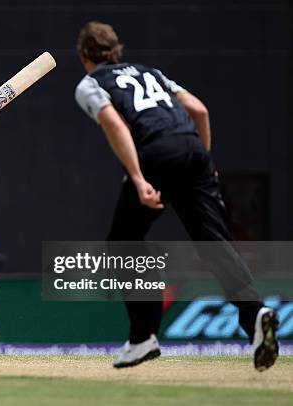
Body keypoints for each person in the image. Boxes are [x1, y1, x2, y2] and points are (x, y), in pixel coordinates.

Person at [74, 21, 279, 371]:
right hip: (193, 150)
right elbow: (199, 110)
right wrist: (204, 159)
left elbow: (114, 124)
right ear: (116, 48)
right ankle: (254, 313)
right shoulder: (150, 72)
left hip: (155, 154)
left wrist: (138, 178)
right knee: (214, 243)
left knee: (123, 243)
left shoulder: (90, 83)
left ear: (83, 56)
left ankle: (142, 338)